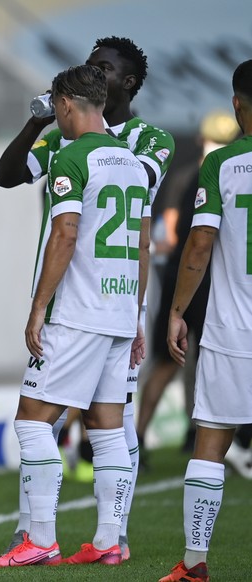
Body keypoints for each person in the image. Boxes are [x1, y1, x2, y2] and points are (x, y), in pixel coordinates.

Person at [0, 36, 175, 561]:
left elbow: (69, 232)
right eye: (90, 67)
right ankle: (102, 539)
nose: (96, 74)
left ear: (128, 83)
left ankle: (46, 537)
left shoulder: (146, 140)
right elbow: (7, 175)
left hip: (80, 301)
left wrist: (39, 306)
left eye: (104, 69)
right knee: (107, 421)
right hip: (119, 299)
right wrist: (38, 122)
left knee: (35, 418)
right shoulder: (103, 150)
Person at [159, 58, 252, 582]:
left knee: (211, 444)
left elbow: (199, 242)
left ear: (237, 104)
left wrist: (177, 312)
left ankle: (195, 563)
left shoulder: (223, 164)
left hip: (233, 330)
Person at [136, 110, 239, 459]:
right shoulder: (235, 172)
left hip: (185, 276)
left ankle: (139, 436)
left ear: (200, 140)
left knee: (168, 361)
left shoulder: (185, 178)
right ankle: (212, 437)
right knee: (216, 363)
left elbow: (171, 233)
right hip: (223, 282)